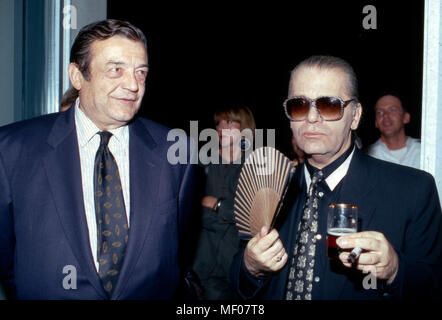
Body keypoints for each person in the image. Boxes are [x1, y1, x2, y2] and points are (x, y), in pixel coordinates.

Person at [0, 19, 196, 299]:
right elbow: (7, 262)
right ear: (77, 76)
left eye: (141, 72)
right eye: (116, 70)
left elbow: (178, 250)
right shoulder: (12, 150)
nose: (132, 85)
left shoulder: (175, 153)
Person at [230, 55, 442, 300]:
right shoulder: (269, 187)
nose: (311, 117)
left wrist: (396, 270)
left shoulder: (413, 190)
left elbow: (433, 284)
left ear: (355, 115)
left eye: (328, 105)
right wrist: (250, 267)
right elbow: (237, 282)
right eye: (299, 105)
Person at [192, 106, 256, 300]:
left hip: (238, 266)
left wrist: (216, 204)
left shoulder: (256, 164)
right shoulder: (203, 160)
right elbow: (190, 207)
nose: (220, 127)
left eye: (228, 122)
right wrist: (226, 211)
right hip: (201, 264)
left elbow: (251, 215)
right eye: (218, 123)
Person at [367, 94, 421, 169]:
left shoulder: (422, 151)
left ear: (406, 117)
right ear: (376, 122)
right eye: (380, 112)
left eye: (392, 110)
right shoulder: (369, 156)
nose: (385, 115)